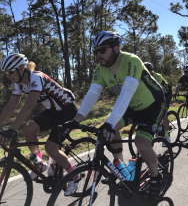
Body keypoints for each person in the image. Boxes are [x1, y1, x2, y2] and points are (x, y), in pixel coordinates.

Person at [62, 31, 166, 200]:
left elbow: (126, 92)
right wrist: (75, 121)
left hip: (152, 104)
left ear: (117, 48)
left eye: (102, 50)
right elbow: (92, 95)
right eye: (96, 51)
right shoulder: (100, 69)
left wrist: (110, 122)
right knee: (108, 131)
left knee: (140, 141)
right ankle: (122, 169)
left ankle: (156, 177)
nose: (98, 55)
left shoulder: (132, 61)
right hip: (131, 106)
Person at [0, 53, 80, 196]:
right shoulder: (19, 84)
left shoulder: (36, 77)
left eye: (10, 71)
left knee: (51, 148)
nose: (8, 75)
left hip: (67, 110)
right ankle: (39, 163)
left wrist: (12, 129)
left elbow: (29, 105)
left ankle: (74, 175)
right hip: (52, 111)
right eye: (6, 72)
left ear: (21, 69)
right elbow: (10, 106)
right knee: (28, 130)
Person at [143, 62, 172, 144]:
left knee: (163, 114)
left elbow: (159, 91)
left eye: (149, 71)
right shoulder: (143, 77)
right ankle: (158, 127)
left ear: (152, 71)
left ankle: (167, 136)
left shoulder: (157, 76)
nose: (148, 72)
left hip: (166, 93)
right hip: (156, 94)